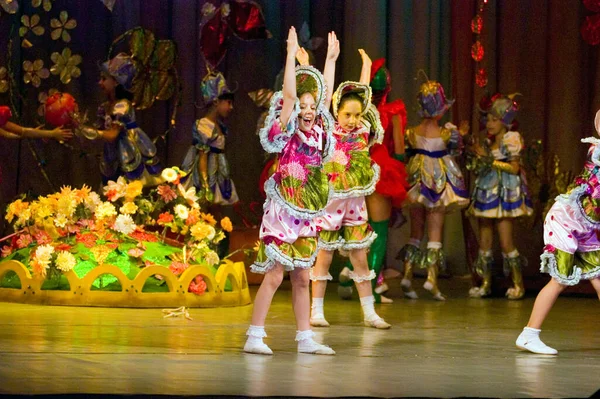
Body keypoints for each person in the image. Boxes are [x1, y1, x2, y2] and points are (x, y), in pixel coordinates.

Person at [243, 27, 338, 355]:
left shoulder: (319, 133)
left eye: (312, 106)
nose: (309, 110)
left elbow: (324, 98)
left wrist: (331, 60)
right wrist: (289, 55)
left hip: (307, 210)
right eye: (304, 105)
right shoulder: (287, 131)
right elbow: (289, 95)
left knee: (302, 277)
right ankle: (255, 336)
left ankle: (306, 338)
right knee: (274, 275)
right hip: (284, 211)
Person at [309, 49, 390, 329]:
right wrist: (313, 63)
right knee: (324, 255)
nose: (353, 120)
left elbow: (364, 96)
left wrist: (366, 66)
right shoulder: (328, 129)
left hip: (355, 205)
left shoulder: (364, 129)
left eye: (356, 114)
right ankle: (316, 311)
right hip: (331, 202)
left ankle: (369, 313)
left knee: (359, 257)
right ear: (336, 112)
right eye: (347, 114)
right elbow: (322, 97)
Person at [515, 109, 600, 355]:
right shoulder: (596, 150)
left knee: (598, 276)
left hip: (586, 226)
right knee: (560, 280)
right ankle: (529, 334)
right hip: (565, 222)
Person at [337, 56, 409, 304]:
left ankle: (350, 268)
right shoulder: (394, 112)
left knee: (360, 229)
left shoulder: (359, 113)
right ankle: (367, 288)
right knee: (378, 233)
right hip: (382, 171)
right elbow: (399, 150)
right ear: (387, 87)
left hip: (356, 171)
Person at [398, 79, 469, 300]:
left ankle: (407, 276)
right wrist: (462, 135)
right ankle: (431, 279)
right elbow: (457, 151)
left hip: (416, 182)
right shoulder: (447, 133)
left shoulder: (411, 132)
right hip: (437, 184)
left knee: (415, 232)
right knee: (435, 232)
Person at [467, 94, 533, 299]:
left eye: (494, 119)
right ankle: (485, 283)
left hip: (504, 193)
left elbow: (514, 168)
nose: (490, 123)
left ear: (505, 121)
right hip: (487, 190)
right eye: (488, 119)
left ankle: (518, 284)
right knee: (484, 240)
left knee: (506, 241)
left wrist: (488, 160)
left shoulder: (511, 139)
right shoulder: (488, 141)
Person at [77, 53, 162, 185]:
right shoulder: (105, 107)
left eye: (104, 79)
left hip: (128, 150)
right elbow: (100, 131)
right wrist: (80, 126)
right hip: (112, 153)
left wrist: (83, 129)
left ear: (117, 81)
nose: (100, 82)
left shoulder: (122, 106)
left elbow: (111, 135)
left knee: (131, 188)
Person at [180, 72, 239, 205]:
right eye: (228, 103)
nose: (231, 107)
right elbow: (202, 156)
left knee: (220, 202)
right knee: (207, 202)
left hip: (219, 171)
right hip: (207, 173)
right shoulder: (205, 126)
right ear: (216, 102)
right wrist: (205, 184)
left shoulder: (219, 126)